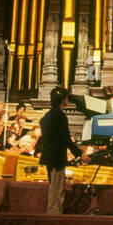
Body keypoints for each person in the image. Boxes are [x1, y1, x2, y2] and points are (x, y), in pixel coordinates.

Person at [37, 86, 82, 215]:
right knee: (57, 190)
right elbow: (66, 139)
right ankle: (54, 216)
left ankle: (53, 213)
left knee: (54, 188)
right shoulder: (60, 115)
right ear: (63, 100)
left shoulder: (47, 115)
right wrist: (79, 154)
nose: (68, 100)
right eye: (67, 98)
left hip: (49, 156)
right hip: (56, 157)